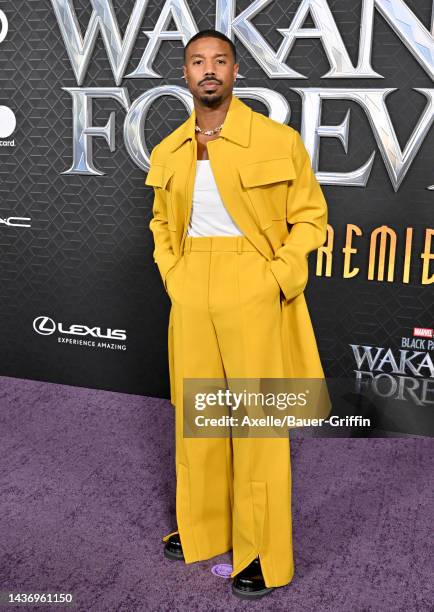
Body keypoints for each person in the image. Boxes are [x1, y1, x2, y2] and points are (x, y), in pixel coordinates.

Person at [146, 29, 329, 600]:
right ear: (184, 74)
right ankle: (204, 528)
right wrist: (174, 274)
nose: (209, 70)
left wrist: (276, 277)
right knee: (198, 414)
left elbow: (311, 218)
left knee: (257, 422)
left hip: (254, 280)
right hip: (191, 284)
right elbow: (159, 222)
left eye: (219, 61)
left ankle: (263, 555)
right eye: (197, 61)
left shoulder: (277, 140)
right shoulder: (168, 150)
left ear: (235, 71)